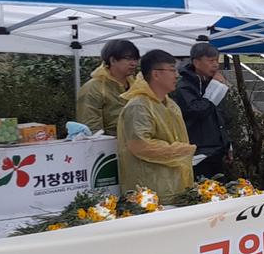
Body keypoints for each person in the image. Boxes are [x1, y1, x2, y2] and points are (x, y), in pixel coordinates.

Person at [117, 50, 196, 196]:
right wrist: (179, 150)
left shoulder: (171, 105)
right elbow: (140, 145)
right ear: (156, 74)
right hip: (150, 191)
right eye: (172, 70)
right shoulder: (139, 106)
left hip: (176, 185)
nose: (176, 75)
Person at [174, 43, 232, 179]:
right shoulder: (184, 85)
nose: (215, 65)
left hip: (217, 151)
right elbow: (196, 111)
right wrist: (215, 88)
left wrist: (227, 144)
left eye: (217, 60)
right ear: (196, 62)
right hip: (198, 153)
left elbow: (221, 116)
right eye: (211, 61)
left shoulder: (210, 82)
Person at [77, 40, 139, 136]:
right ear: (113, 60)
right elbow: (92, 129)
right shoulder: (93, 88)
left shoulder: (137, 85)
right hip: (109, 143)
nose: (133, 63)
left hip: (140, 142)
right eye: (128, 58)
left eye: (135, 59)